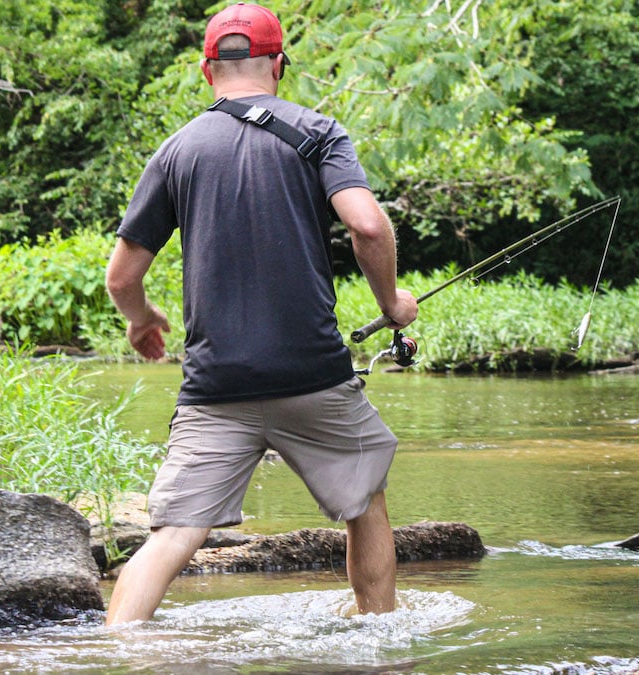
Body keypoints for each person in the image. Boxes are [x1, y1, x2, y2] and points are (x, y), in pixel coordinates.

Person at [103, 2, 418, 626]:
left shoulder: (176, 151)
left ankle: (118, 652)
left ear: (205, 71)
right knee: (364, 503)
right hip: (314, 376)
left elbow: (121, 278)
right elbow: (366, 225)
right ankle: (378, 637)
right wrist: (392, 304)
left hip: (216, 385)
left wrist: (142, 320)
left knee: (171, 533)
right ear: (280, 65)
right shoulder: (318, 132)